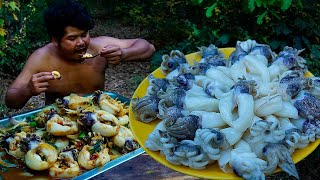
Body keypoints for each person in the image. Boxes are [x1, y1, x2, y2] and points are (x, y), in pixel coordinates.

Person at [5, 0, 155, 109]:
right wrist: (28, 90)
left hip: (99, 118)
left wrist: (124, 54)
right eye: (72, 38)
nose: (81, 43)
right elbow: (11, 100)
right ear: (56, 40)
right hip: (58, 123)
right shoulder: (41, 59)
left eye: (84, 35)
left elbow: (148, 47)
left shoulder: (99, 48)